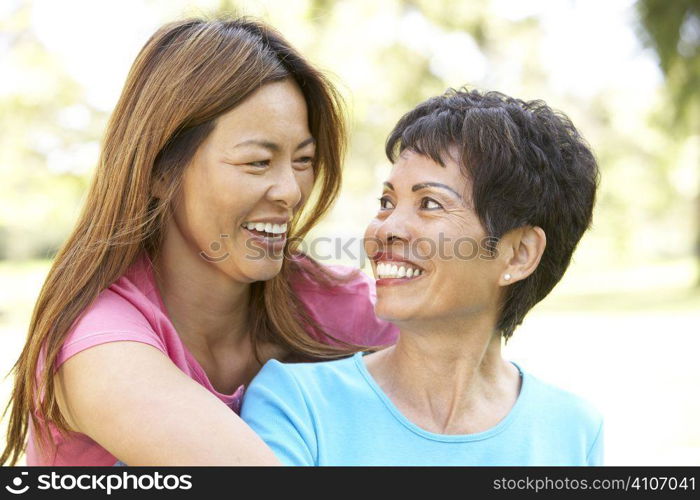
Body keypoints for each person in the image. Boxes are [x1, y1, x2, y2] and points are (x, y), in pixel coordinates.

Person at [0, 17, 397, 466]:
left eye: (303, 160)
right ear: (161, 170)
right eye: (257, 162)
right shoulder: (97, 344)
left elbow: (472, 360)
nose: (290, 190)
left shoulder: (324, 300)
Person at [241, 88, 603, 466]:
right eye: (386, 203)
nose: (385, 230)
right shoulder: (296, 404)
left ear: (519, 253)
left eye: (429, 204)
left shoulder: (573, 430)